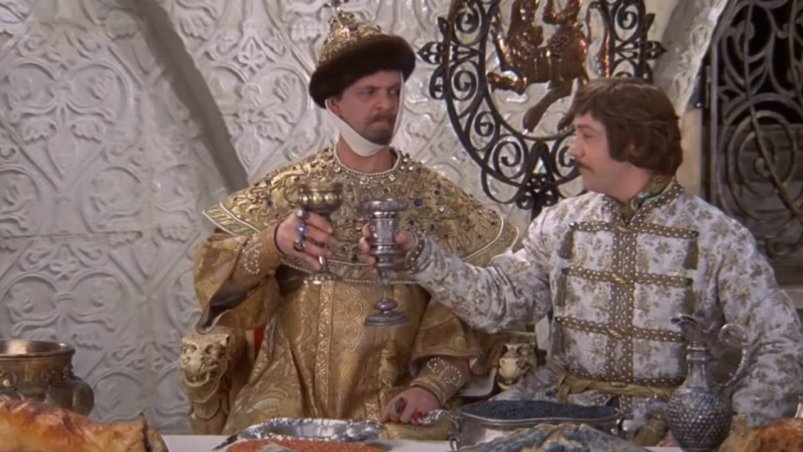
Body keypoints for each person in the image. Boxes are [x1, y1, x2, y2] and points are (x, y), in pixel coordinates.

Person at [365, 77, 803, 446]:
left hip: (666, 430)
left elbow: (780, 343)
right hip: (559, 414)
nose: (573, 150)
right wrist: (418, 255)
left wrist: (725, 430)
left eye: (586, 135)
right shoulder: (563, 223)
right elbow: (499, 302)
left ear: (634, 143)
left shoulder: (717, 237)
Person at [186, 9, 517, 435]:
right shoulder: (291, 189)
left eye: (393, 91)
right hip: (288, 399)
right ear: (334, 103)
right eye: (369, 92)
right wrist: (273, 243)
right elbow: (215, 282)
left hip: (393, 404)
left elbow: (473, 308)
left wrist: (431, 387)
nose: (386, 104)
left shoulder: (434, 198)